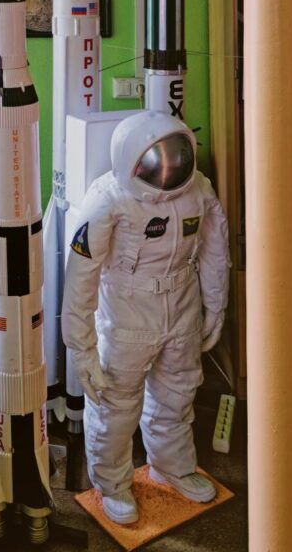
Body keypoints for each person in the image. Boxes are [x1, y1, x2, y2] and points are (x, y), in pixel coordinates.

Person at [61, 110, 230, 526]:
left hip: (182, 307)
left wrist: (215, 305)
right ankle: (112, 484)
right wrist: (82, 347)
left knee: (177, 394)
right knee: (115, 405)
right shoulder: (108, 198)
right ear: (130, 162)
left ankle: (172, 467)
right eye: (156, 163)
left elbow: (215, 248)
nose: (169, 171)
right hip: (126, 316)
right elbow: (81, 274)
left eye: (177, 158)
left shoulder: (198, 190)